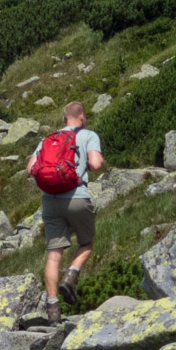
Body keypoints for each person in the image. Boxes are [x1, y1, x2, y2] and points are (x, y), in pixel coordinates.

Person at [26, 101, 104, 324]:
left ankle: (52, 313)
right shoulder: (88, 134)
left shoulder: (47, 139)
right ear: (82, 116)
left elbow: (31, 168)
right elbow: (96, 164)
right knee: (87, 243)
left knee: (53, 254)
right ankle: (71, 275)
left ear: (63, 119)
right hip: (77, 197)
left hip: (50, 200)